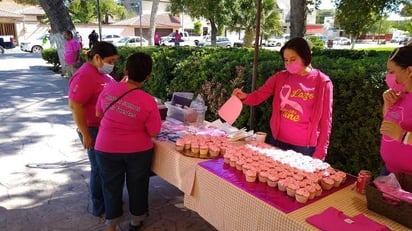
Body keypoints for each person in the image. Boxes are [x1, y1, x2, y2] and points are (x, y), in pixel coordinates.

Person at [232, 37, 333, 160]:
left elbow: (326, 121)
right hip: (278, 140)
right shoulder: (280, 77)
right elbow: (259, 95)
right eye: (286, 60)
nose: (289, 64)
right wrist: (245, 97)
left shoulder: (322, 82)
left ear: (305, 57)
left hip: (304, 148)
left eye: (293, 59)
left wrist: (321, 151)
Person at [95, 52, 161, 231]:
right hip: (138, 151)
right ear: (148, 76)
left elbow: (98, 113)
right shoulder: (148, 101)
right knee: (138, 184)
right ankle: (136, 221)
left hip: (105, 147)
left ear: (126, 70)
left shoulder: (108, 88)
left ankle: (111, 225)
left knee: (110, 186)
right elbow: (154, 131)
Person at [68, 41, 119, 218]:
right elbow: (75, 105)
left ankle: (110, 201)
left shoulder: (98, 72)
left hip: (105, 128)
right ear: (97, 58)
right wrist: (86, 135)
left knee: (107, 168)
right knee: (98, 169)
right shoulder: (84, 76)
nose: (112, 65)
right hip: (93, 129)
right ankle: (100, 207)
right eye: (110, 61)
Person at [379, 44, 412, 175]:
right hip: (389, 171)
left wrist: (402, 135)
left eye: (392, 72)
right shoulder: (398, 94)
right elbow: (389, 122)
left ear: (409, 71)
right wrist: (387, 105)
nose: (388, 76)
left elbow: (397, 132)